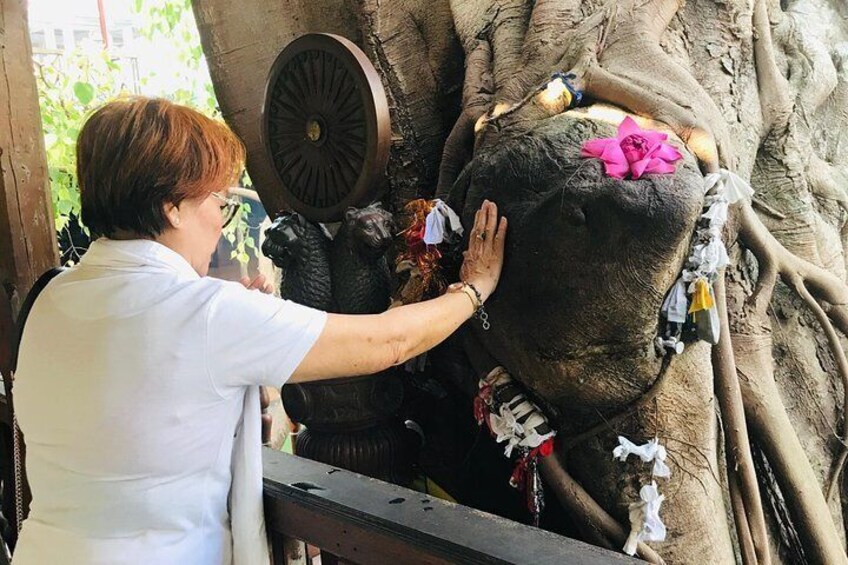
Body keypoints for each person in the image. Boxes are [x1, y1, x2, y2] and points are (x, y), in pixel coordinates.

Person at [12, 96, 507, 564]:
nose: (220, 222)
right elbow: (388, 342)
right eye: (216, 202)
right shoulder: (207, 313)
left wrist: (241, 327)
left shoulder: (50, 298)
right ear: (172, 207)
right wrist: (473, 289)